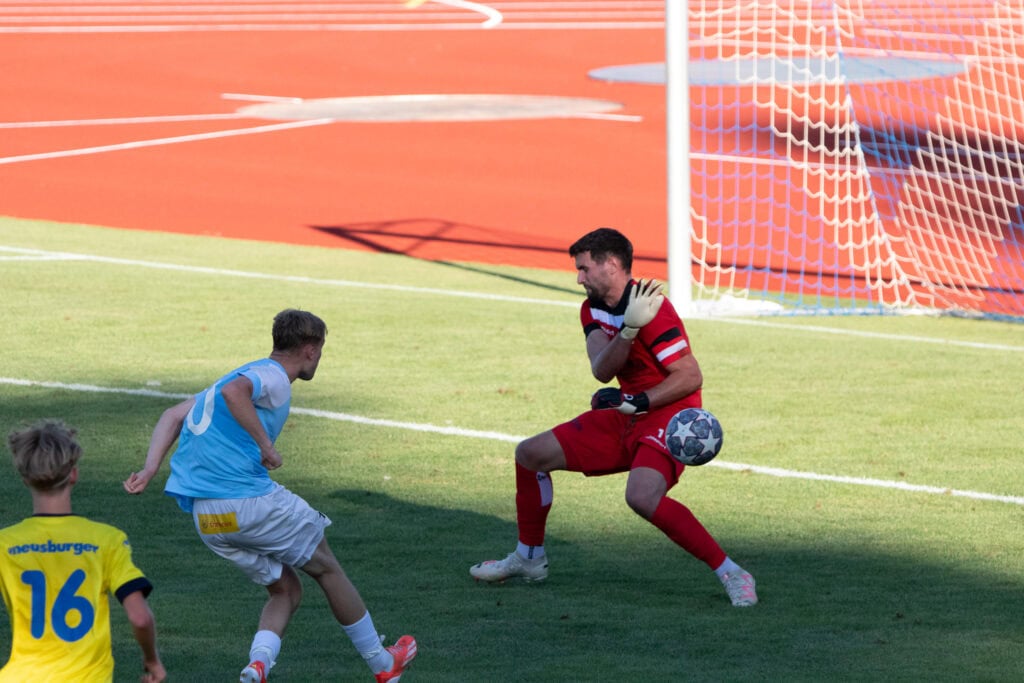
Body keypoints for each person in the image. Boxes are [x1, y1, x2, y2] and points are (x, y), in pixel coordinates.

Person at [122, 309, 417, 682]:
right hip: (247, 502)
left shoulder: (238, 373)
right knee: (326, 567)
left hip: (210, 519)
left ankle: (257, 665)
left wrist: (150, 469)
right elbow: (235, 393)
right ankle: (382, 662)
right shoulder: (273, 377)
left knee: (285, 590)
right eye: (321, 351)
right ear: (310, 350)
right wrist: (266, 445)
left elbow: (173, 415)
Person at [469, 228, 758, 607]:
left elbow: (690, 376)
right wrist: (628, 331)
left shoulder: (655, 308)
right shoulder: (592, 308)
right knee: (529, 455)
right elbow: (602, 370)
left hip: (670, 416)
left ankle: (732, 572)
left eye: (585, 268)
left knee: (641, 496)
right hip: (626, 410)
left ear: (612, 264)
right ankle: (529, 559)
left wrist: (639, 398)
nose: (579, 277)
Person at [1, 419, 166, 682]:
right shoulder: (106, 540)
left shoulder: (5, 544)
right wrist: (152, 661)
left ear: (25, 479)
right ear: (74, 474)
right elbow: (140, 617)